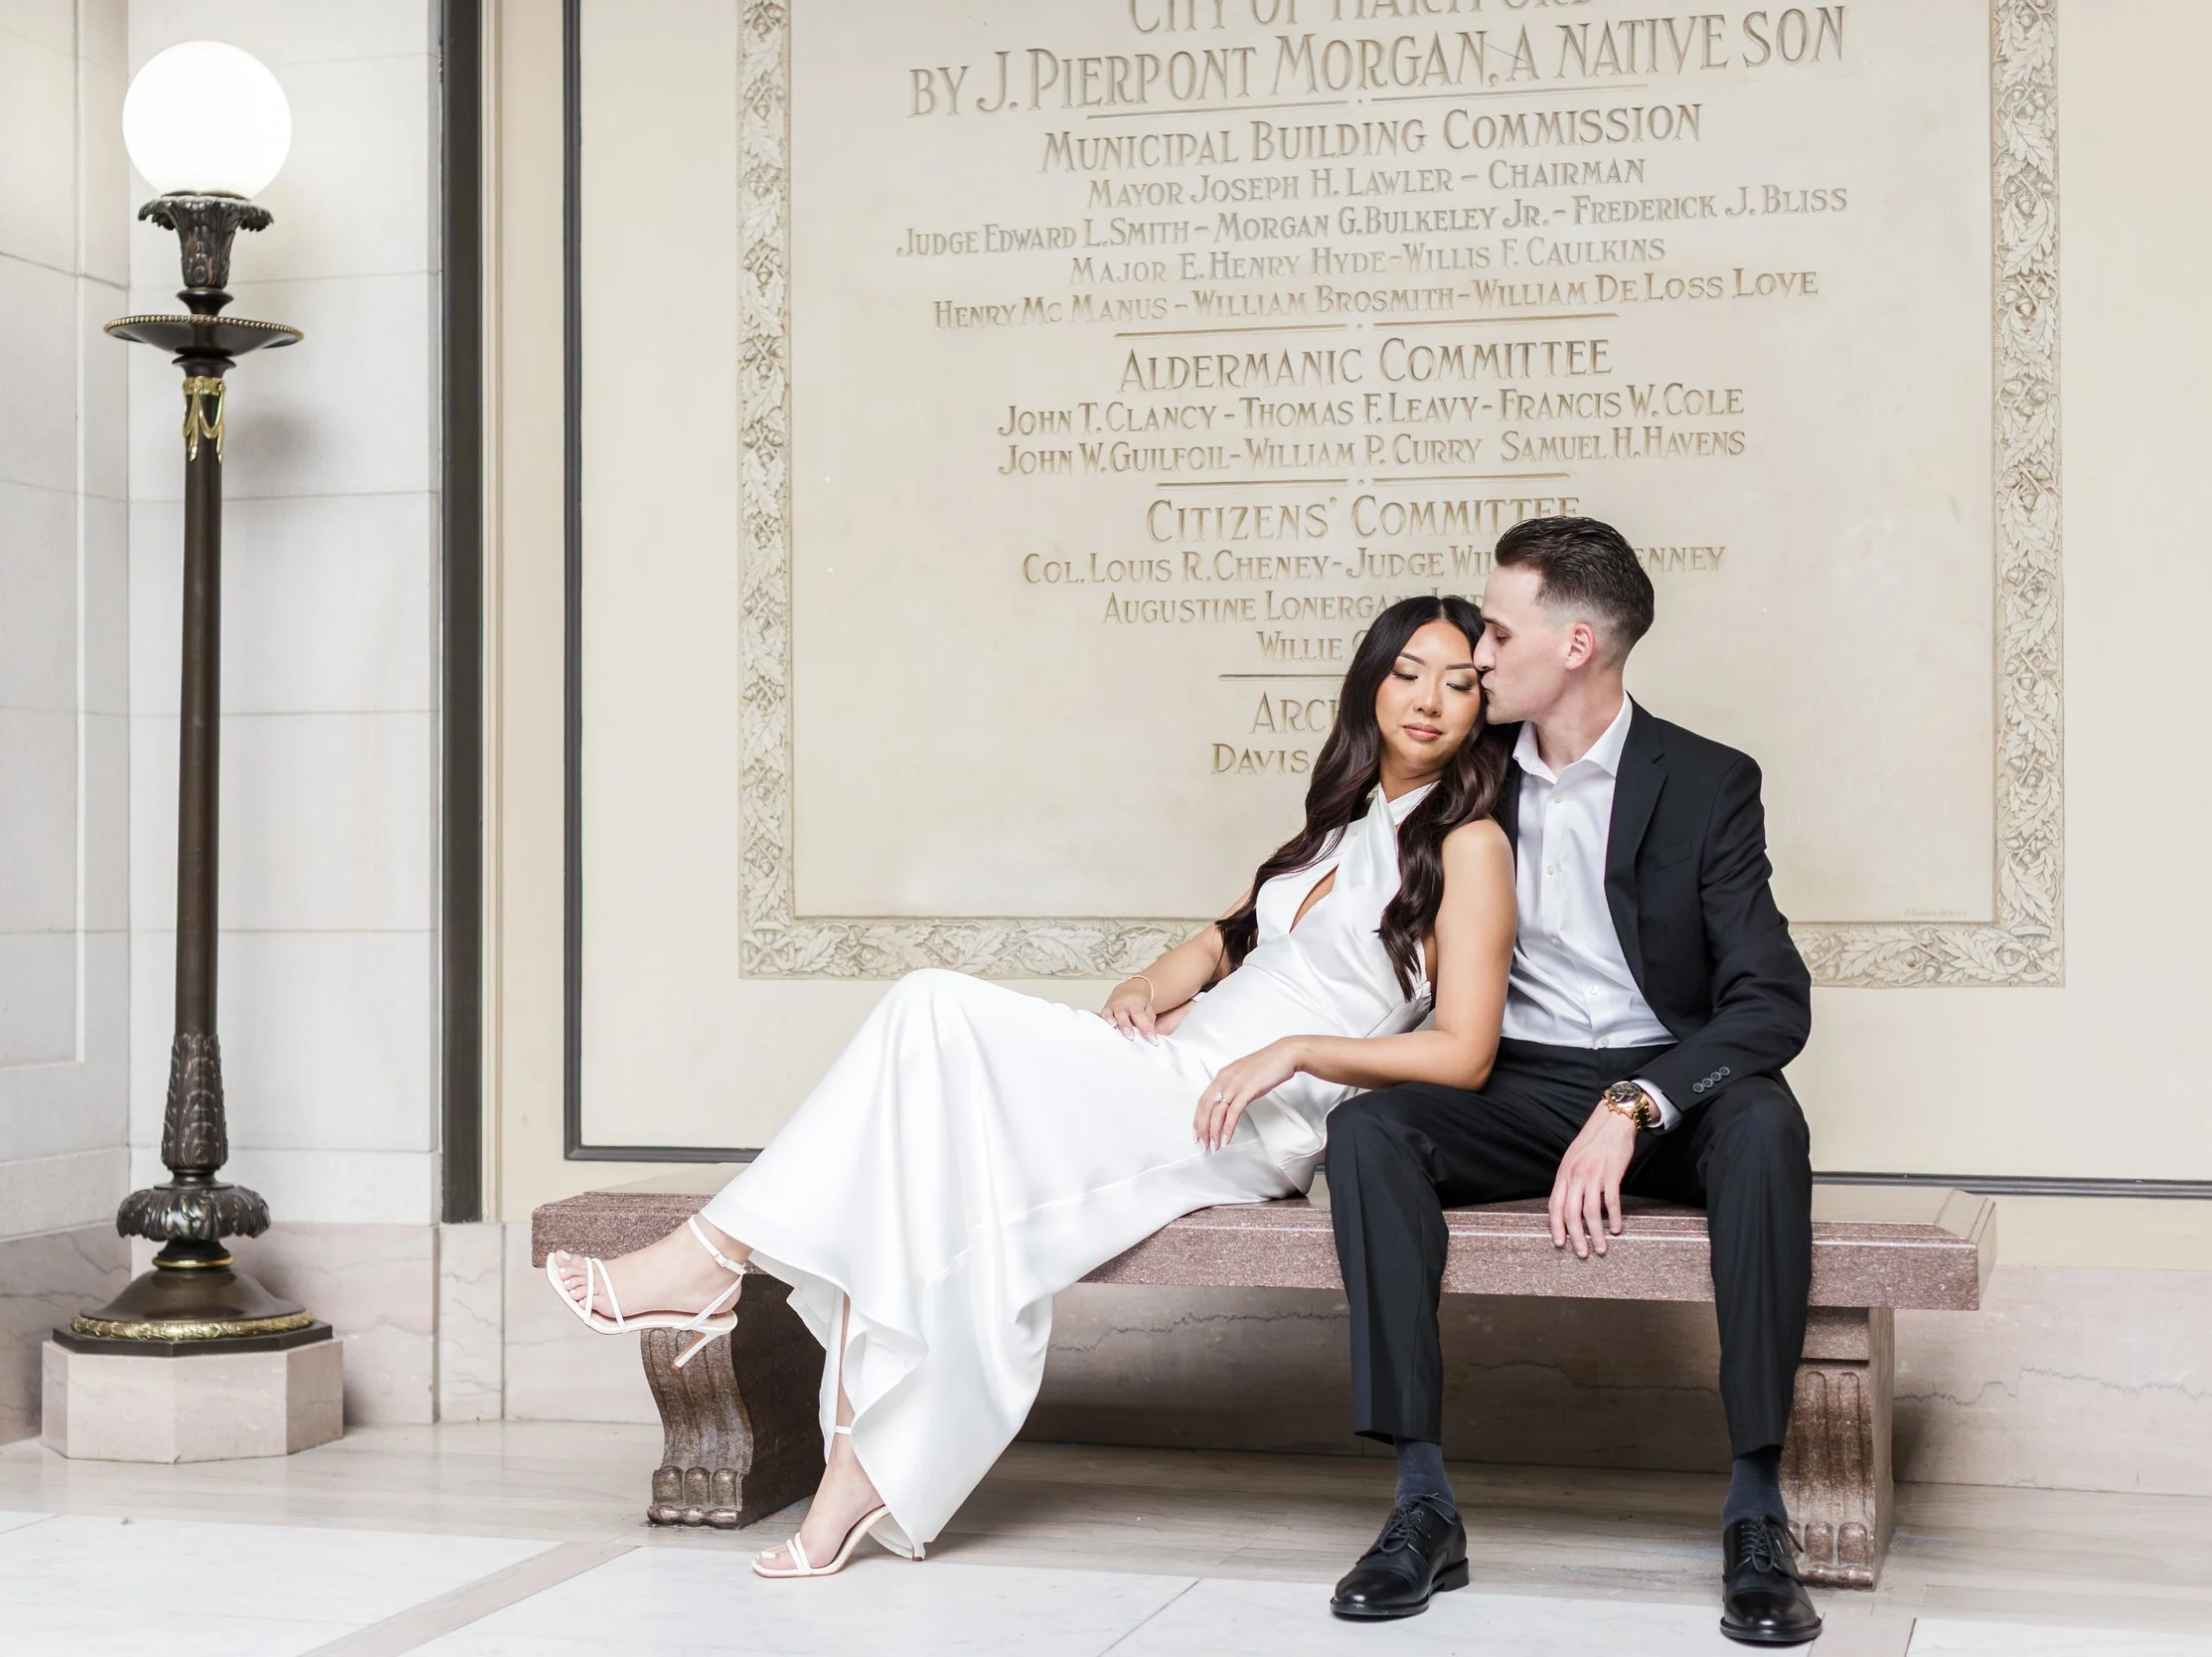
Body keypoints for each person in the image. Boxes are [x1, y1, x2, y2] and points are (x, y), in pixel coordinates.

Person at [547, 595, 1519, 1577]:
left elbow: (1465, 1048)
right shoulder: (1338, 826)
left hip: (1238, 1118)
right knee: (915, 1159)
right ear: (1370, 682)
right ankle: (857, 1471)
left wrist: (1297, 1052)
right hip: (1167, 1070)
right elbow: (1220, 942)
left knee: (928, 1006)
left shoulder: (1468, 844)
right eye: (1409, 672)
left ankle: (713, 1256)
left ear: (1485, 705)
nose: (1430, 699)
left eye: (1460, 680)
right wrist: (1145, 987)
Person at [1323, 518, 1818, 1645]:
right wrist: (1193, 967)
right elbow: (1314, 876)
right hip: (1519, 1080)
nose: (1476, 656)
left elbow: (1770, 1000)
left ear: (1578, 643)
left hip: (1669, 1088)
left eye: (1496, 633)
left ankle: (1754, 1507)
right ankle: (1420, 1502)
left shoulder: (1705, 781)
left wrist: (1638, 1102)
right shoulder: (1468, 778)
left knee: (1764, 1131)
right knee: (1370, 1135)